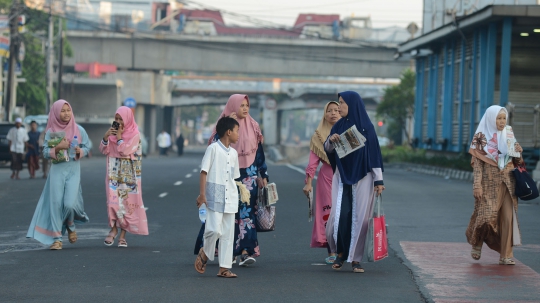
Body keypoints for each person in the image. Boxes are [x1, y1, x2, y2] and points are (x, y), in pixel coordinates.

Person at [194, 94, 268, 267]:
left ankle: (246, 251)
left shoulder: (253, 125)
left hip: (248, 174)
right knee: (226, 215)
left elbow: (259, 152)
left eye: (246, 105)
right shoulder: (224, 124)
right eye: (241, 105)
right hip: (225, 176)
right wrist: (228, 123)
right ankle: (224, 251)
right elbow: (214, 145)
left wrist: (262, 174)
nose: (244, 108)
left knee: (247, 213)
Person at [324, 91, 385, 273]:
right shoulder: (339, 125)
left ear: (352, 104)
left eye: (342, 103)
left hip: (364, 177)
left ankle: (355, 259)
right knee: (339, 216)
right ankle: (340, 253)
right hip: (342, 177)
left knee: (360, 219)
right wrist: (331, 141)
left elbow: (374, 156)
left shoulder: (367, 127)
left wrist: (378, 180)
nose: (339, 107)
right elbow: (329, 149)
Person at [27, 100, 90, 250]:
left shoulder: (79, 129)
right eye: (62, 111)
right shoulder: (51, 132)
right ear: (55, 113)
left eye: (68, 110)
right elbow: (44, 153)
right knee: (55, 203)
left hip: (73, 171)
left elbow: (87, 146)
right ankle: (57, 239)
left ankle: (70, 223)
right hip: (57, 171)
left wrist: (81, 151)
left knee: (69, 204)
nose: (66, 113)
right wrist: (58, 148)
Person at [466, 105, 524, 265]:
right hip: (488, 184)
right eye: (498, 118)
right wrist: (477, 185)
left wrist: (519, 152)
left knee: (507, 219)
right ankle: (477, 243)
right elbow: (477, 165)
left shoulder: (509, 133)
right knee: (485, 217)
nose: (502, 122)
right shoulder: (480, 137)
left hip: (509, 183)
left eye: (504, 118)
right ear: (491, 118)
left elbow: (518, 162)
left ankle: (506, 255)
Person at [194, 117, 241, 278]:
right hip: (214, 195)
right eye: (237, 131)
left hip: (231, 197)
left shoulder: (234, 153)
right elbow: (203, 172)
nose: (238, 135)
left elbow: (234, 178)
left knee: (228, 235)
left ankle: (224, 268)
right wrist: (202, 194)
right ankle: (205, 252)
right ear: (229, 132)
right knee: (213, 230)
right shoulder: (213, 149)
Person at [101, 106, 148, 248]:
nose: (118, 122)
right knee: (113, 202)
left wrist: (119, 137)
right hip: (113, 174)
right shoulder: (112, 135)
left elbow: (125, 150)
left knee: (126, 204)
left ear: (127, 119)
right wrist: (106, 138)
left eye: (121, 119)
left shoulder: (135, 134)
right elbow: (104, 150)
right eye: (116, 119)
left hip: (129, 177)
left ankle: (122, 235)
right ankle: (114, 229)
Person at [303, 101, 340, 264]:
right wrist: (308, 182)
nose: (333, 113)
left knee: (345, 212)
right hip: (326, 178)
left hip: (346, 177)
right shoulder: (318, 135)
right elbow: (312, 162)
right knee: (329, 212)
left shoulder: (349, 132)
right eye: (329, 110)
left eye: (336, 110)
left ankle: (345, 248)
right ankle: (332, 250)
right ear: (324, 114)